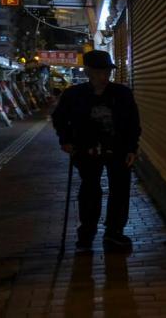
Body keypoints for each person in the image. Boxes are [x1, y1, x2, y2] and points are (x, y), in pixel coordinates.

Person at [52, 50, 141, 251]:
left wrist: (132, 148)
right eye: (100, 72)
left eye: (107, 71)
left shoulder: (122, 93)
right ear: (88, 72)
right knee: (89, 190)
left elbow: (132, 123)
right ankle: (87, 233)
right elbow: (59, 118)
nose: (105, 76)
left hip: (118, 149)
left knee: (120, 190)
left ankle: (114, 232)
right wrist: (65, 140)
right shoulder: (74, 94)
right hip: (86, 149)